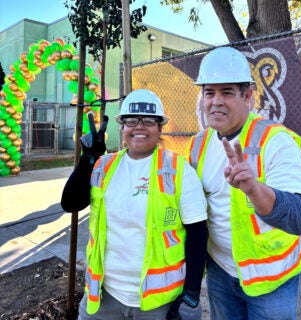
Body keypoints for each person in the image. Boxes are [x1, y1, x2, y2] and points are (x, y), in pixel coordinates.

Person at [188, 47, 301, 320]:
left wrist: (254, 189)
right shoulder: (198, 144)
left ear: (248, 97)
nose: (216, 101)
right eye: (209, 92)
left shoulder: (275, 141)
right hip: (221, 272)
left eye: (227, 92)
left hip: (272, 276)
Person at [61, 89, 208, 320]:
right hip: (104, 296)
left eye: (149, 121)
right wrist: (88, 159)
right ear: (122, 127)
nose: (139, 126)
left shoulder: (178, 170)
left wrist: (191, 293)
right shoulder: (104, 166)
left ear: (160, 128)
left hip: (158, 302)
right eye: (131, 120)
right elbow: (70, 203)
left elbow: (198, 234)